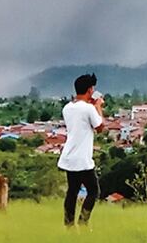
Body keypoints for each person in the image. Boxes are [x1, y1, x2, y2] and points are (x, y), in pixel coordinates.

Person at [58, 73, 105, 227]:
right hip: (83, 159)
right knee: (93, 191)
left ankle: (69, 224)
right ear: (90, 90)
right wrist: (98, 107)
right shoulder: (89, 109)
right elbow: (100, 127)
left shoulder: (67, 108)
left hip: (69, 156)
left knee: (72, 191)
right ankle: (83, 222)